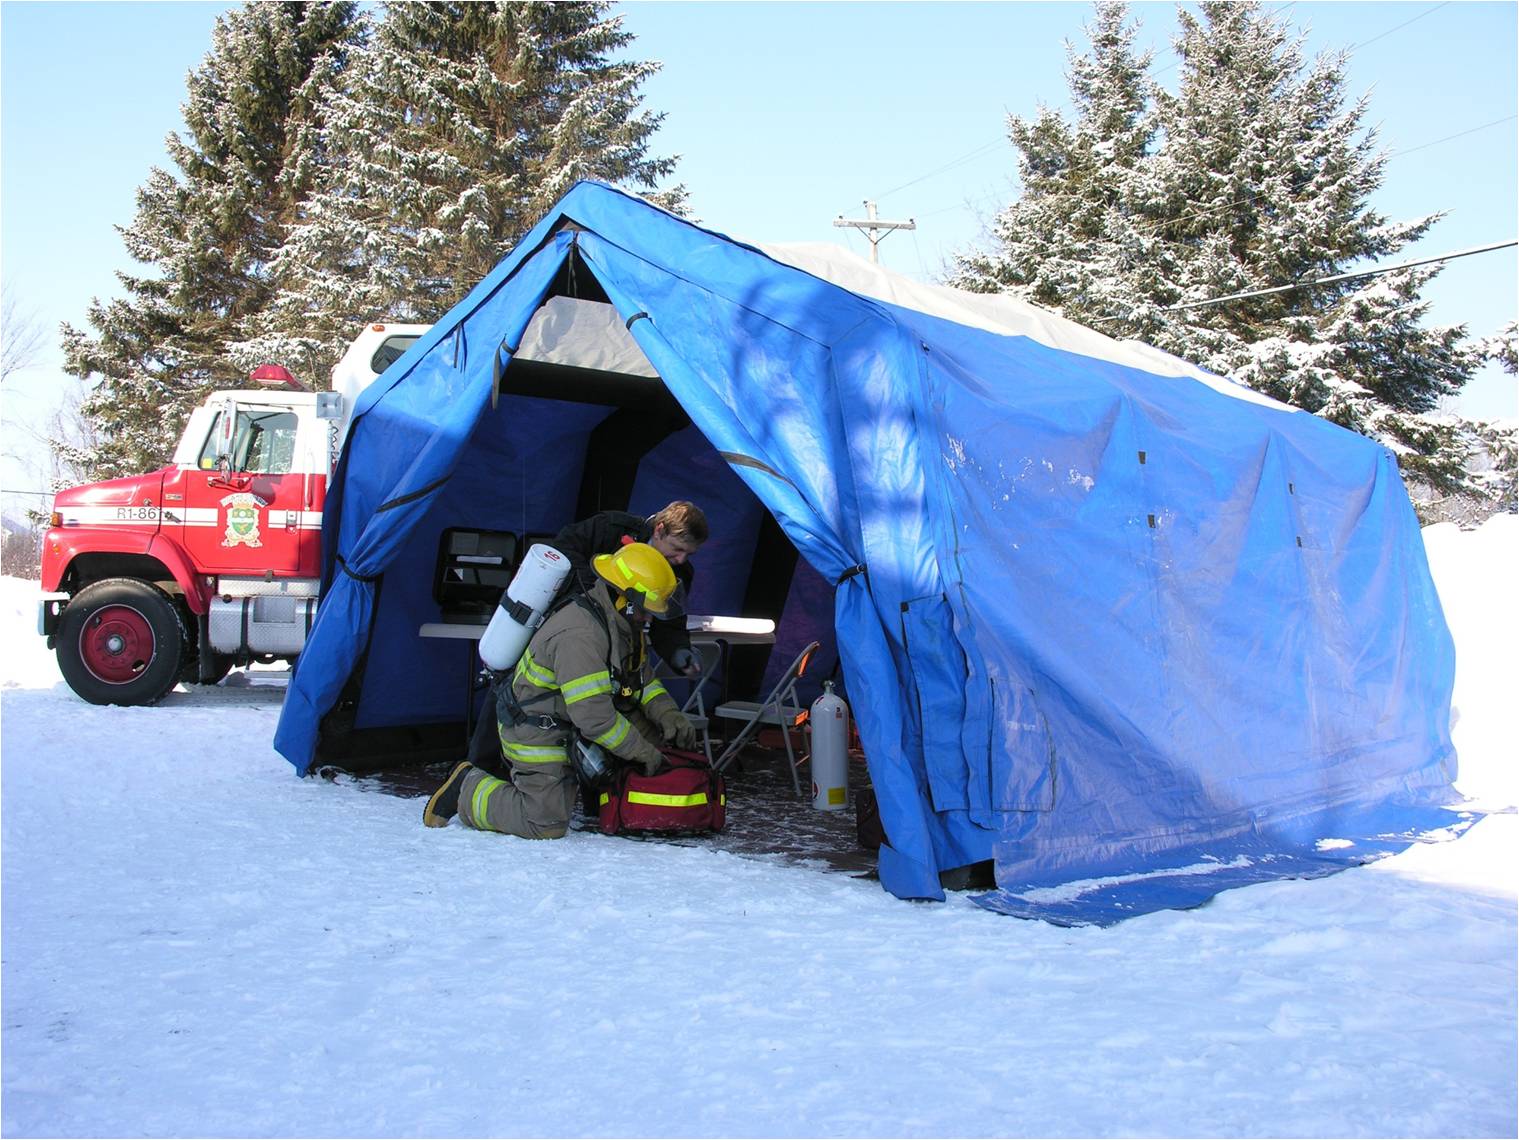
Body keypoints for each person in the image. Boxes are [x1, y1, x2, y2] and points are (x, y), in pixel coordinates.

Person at [423, 542, 699, 838]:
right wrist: (643, 752)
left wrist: (668, 713)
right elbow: (596, 720)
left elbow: (638, 679)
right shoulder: (580, 635)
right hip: (536, 726)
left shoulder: (619, 622)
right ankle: (467, 786)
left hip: (572, 719)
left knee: (659, 742)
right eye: (646, 610)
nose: (648, 618)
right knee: (545, 823)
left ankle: (613, 799)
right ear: (625, 600)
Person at [550, 500, 709, 676]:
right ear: (659, 530)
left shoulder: (680, 574)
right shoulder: (611, 528)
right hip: (573, 631)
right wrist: (597, 592)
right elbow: (563, 551)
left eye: (689, 554)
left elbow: (669, 622)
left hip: (622, 648)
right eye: (677, 548)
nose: (681, 559)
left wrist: (677, 650)